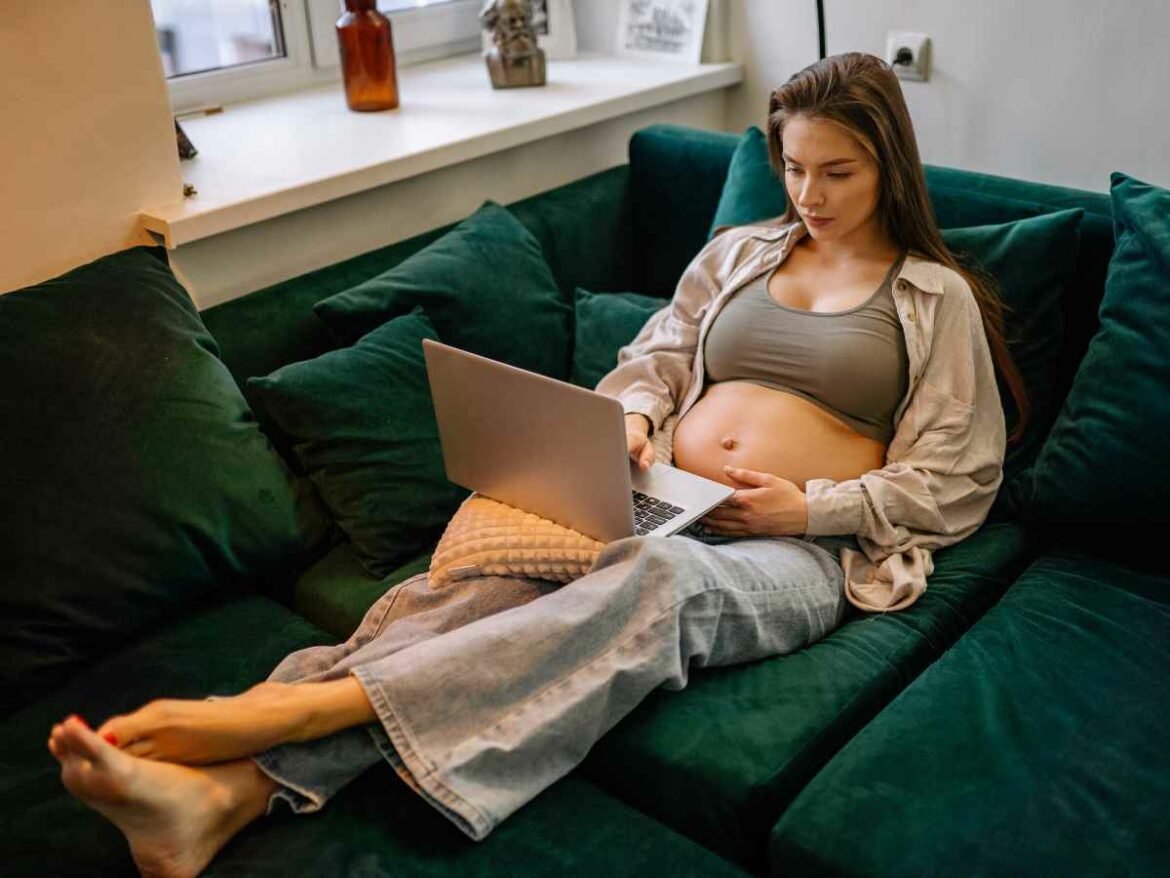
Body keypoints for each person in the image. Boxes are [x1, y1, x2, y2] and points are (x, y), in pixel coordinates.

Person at [47, 52, 1021, 878]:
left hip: (795, 549)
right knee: (485, 579)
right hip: (659, 495)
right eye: (796, 168)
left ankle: (294, 706)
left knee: (660, 580)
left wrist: (802, 511)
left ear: (890, 165)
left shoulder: (933, 296)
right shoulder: (739, 252)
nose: (810, 196)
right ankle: (224, 796)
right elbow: (659, 357)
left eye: (838, 173)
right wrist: (632, 425)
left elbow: (958, 474)